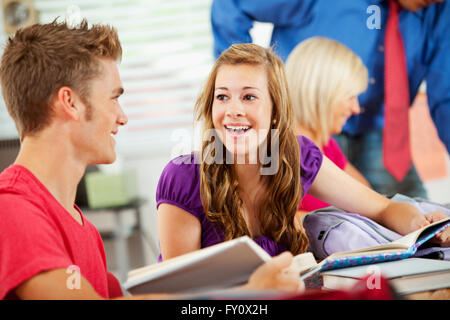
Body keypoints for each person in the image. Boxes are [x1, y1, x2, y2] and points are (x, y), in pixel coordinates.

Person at [0, 20, 303, 300]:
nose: (123, 117)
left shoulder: (81, 226)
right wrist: (247, 295)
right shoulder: (12, 209)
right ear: (70, 103)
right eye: (113, 98)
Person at [156, 43, 449, 263]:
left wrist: (421, 225)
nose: (233, 110)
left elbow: (383, 208)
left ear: (275, 111)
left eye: (249, 97)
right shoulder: (183, 177)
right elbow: (181, 298)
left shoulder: (296, 157)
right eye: (222, 97)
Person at [210, 0, 450, 199]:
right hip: (308, 127)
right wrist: (250, 88)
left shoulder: (439, 9)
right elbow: (229, 6)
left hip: (383, 135)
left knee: (416, 219)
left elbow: (446, 95)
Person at [285, 37, 371, 214]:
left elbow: (372, 203)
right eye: (350, 97)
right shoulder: (279, 155)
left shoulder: (326, 144)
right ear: (322, 93)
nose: (356, 109)